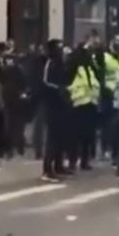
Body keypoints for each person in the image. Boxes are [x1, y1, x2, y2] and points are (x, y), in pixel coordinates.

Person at [40, 39, 71, 182]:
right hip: (52, 106)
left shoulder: (62, 63)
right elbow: (45, 82)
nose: (61, 50)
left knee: (61, 137)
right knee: (52, 139)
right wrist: (59, 89)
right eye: (58, 47)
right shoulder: (50, 63)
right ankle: (47, 169)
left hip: (62, 106)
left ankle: (59, 165)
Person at [68, 45, 102, 170]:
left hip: (90, 105)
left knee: (88, 136)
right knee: (75, 136)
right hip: (77, 106)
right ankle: (73, 160)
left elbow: (95, 85)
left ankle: (84, 161)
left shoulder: (90, 69)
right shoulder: (75, 68)